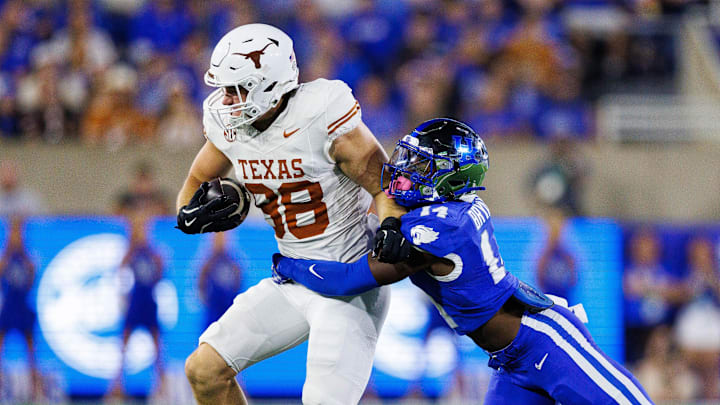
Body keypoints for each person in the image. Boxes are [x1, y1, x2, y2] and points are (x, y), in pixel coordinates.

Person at [274, 118, 653, 404]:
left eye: (421, 165)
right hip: (509, 358)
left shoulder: (438, 232)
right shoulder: (457, 207)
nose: (406, 169)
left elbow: (347, 280)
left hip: (544, 341)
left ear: (452, 176)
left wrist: (288, 264)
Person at [175, 23, 404, 405]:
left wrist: (391, 226)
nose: (227, 101)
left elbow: (384, 184)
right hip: (294, 278)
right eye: (225, 90)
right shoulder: (232, 128)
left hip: (347, 283)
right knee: (204, 371)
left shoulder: (319, 116)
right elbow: (198, 177)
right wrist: (186, 213)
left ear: (268, 83)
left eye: (237, 89)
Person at [106, 213, 165, 399]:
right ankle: (117, 386)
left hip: (149, 302)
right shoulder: (133, 252)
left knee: (157, 347)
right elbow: (121, 268)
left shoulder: (152, 252)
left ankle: (161, 386)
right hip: (135, 301)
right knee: (124, 346)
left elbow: (161, 269)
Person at [0, 217, 41, 399]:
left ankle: (35, 391)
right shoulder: (5, 260)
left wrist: (22, 252)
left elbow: (31, 281)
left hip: (23, 308)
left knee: (31, 353)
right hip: (8, 309)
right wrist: (9, 251)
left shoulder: (28, 260)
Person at [197, 232, 242, 329]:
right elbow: (201, 281)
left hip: (228, 304)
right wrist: (204, 297)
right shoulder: (208, 262)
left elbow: (238, 280)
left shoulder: (232, 261)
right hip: (213, 304)